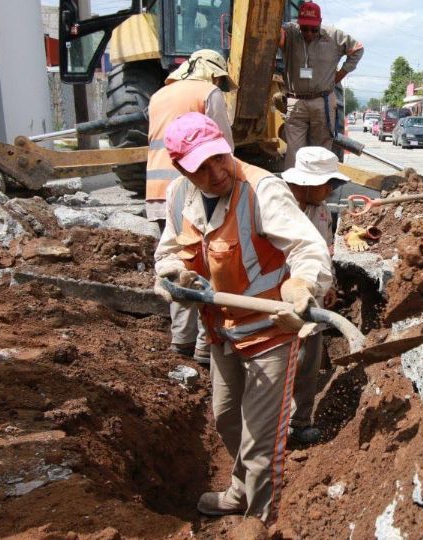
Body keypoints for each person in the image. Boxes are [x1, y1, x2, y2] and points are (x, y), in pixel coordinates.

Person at [153, 113, 333, 522]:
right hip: (220, 332)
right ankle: (239, 490)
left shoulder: (261, 189)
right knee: (226, 417)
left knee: (260, 441)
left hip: (271, 332)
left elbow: (309, 248)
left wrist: (303, 284)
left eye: (219, 157)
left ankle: (261, 519)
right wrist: (172, 276)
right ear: (183, 168)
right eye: (202, 166)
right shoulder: (180, 195)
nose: (216, 171)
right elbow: (166, 252)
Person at [146, 48, 237, 365]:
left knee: (177, 263)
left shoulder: (160, 94)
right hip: (197, 188)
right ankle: (203, 345)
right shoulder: (208, 92)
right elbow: (222, 144)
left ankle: (180, 339)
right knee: (205, 263)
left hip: (160, 190)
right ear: (213, 72)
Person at [280, 147, 348, 444]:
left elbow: (326, 248)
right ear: (306, 183)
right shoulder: (279, 208)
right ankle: (273, 425)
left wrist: (329, 284)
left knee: (308, 363)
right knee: (280, 364)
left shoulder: (321, 209)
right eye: (328, 184)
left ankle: (299, 422)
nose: (332, 189)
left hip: (314, 300)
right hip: (280, 301)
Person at [280, 1, 364, 169]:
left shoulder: (333, 36)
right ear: (298, 24)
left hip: (323, 101)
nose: (309, 33)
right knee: (294, 152)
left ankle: (318, 192)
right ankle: (293, 191)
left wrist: (339, 76)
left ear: (320, 23)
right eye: (304, 29)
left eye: (313, 29)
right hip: (295, 103)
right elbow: (272, 32)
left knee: (320, 151)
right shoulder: (289, 31)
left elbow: (358, 49)